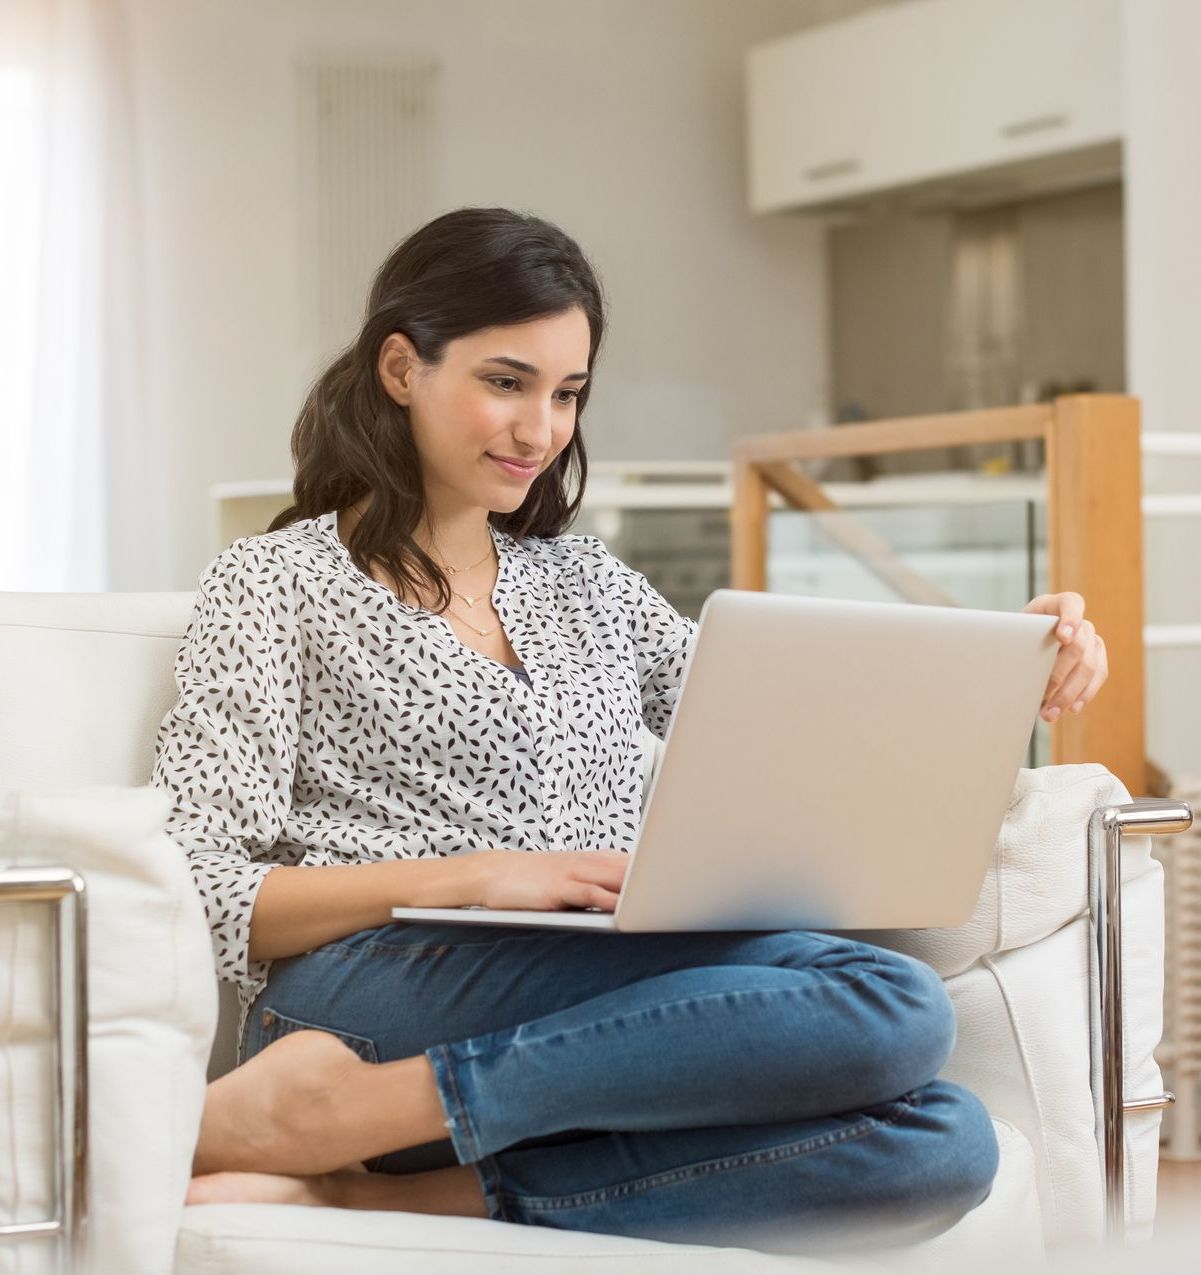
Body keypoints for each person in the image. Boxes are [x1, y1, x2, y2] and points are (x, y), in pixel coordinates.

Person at [151, 206, 1108, 1254]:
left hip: (604, 985)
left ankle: (368, 1175)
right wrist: (472, 877)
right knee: (893, 1003)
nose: (539, 431)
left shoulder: (585, 583)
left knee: (942, 1143)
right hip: (373, 991)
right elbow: (200, 884)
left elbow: (800, 716)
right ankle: (346, 1101)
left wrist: (1010, 662)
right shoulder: (275, 581)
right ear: (399, 368)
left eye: (567, 394)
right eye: (505, 381)